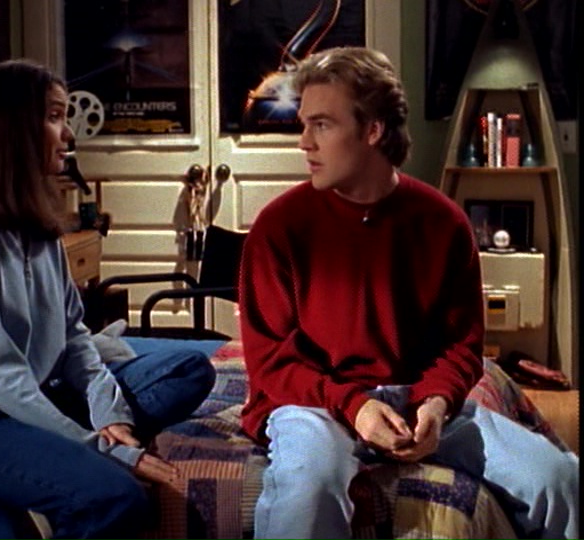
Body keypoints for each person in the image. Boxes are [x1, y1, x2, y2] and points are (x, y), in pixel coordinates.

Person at [238, 46, 578, 540]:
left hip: (417, 401)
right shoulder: (279, 227)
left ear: (373, 130)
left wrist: (436, 403)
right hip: (318, 404)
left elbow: (462, 345)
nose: (304, 142)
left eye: (322, 125)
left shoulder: (444, 223)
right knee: (308, 491)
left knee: (559, 479)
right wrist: (355, 407)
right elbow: (270, 361)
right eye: (304, 125)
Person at [0, 59, 216, 540]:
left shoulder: (39, 230)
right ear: (12, 130)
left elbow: (75, 337)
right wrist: (106, 449)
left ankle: (67, 445)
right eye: (55, 116)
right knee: (116, 496)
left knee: (190, 369)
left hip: (39, 394)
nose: (69, 134)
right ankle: (58, 475)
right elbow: (0, 377)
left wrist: (109, 416)